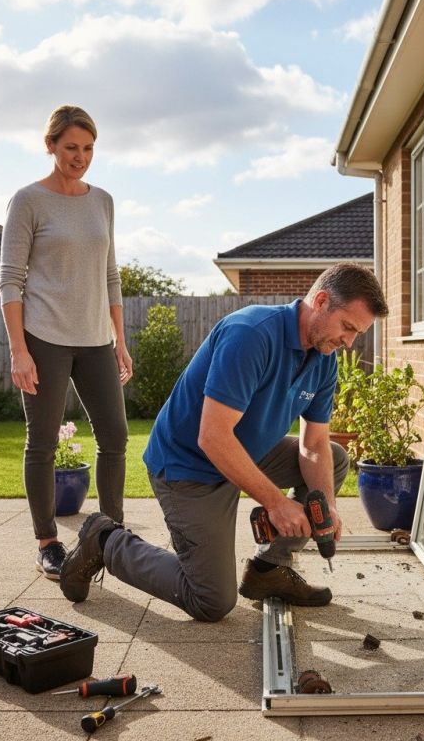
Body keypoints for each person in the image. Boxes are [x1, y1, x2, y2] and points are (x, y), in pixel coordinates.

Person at [60, 263, 388, 621]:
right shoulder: (251, 335)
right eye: (348, 327)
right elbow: (212, 437)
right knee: (211, 600)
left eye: (358, 333)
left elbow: (315, 443)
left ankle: (269, 570)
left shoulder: (324, 359)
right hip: (189, 466)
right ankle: (105, 540)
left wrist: (325, 506)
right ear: (322, 301)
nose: (349, 341)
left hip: (247, 451)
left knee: (334, 459)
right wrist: (276, 503)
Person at [0, 105, 132, 580]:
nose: (81, 157)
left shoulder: (103, 201)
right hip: (45, 337)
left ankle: (112, 533)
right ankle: (48, 542)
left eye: (89, 148)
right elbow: (10, 280)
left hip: (96, 339)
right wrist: (19, 350)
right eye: (71, 147)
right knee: (43, 443)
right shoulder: (28, 200)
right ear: (50, 145)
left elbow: (111, 274)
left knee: (115, 436)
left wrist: (120, 339)